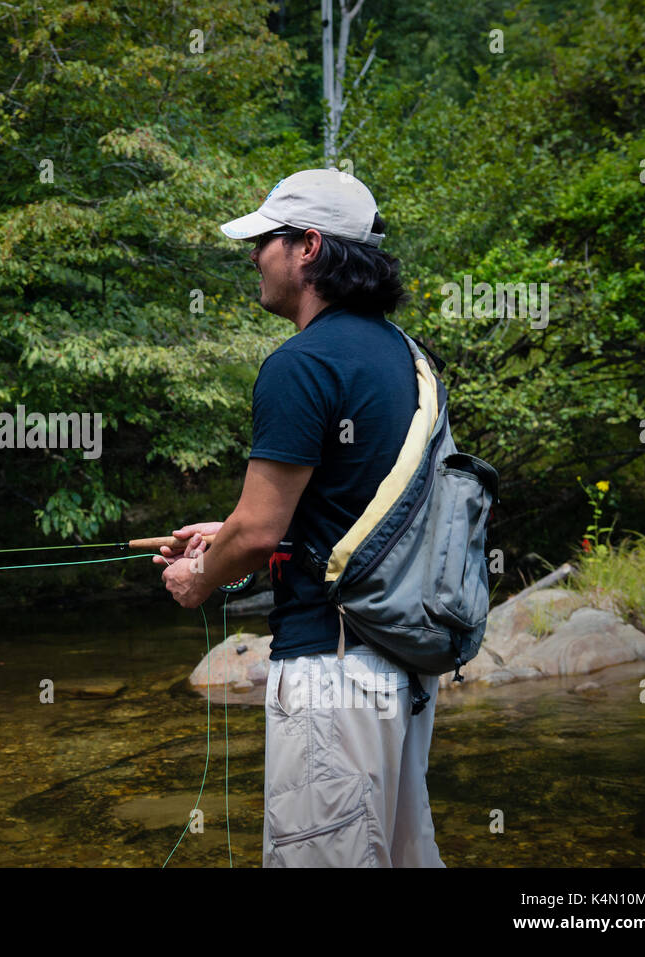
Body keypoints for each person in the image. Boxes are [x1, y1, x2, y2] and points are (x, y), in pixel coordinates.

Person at [156, 168, 446, 867]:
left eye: (264, 240)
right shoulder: (410, 359)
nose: (254, 256)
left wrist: (201, 578)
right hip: (404, 669)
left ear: (308, 246)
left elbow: (258, 533)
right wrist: (225, 534)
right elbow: (356, 508)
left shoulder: (301, 364)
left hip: (331, 671)